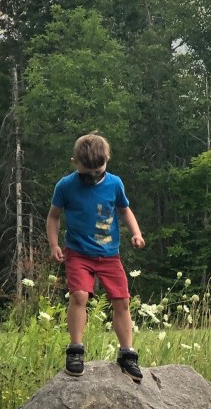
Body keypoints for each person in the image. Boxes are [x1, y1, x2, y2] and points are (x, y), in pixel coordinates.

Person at [46, 133, 146, 382]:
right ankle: (75, 350)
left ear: (107, 160)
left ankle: (127, 353)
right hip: (78, 253)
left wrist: (136, 233)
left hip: (109, 254)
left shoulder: (114, 183)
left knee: (122, 301)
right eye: (86, 172)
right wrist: (54, 244)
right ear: (75, 163)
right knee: (79, 296)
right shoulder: (65, 186)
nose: (93, 177)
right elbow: (53, 216)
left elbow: (124, 210)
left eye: (98, 171)